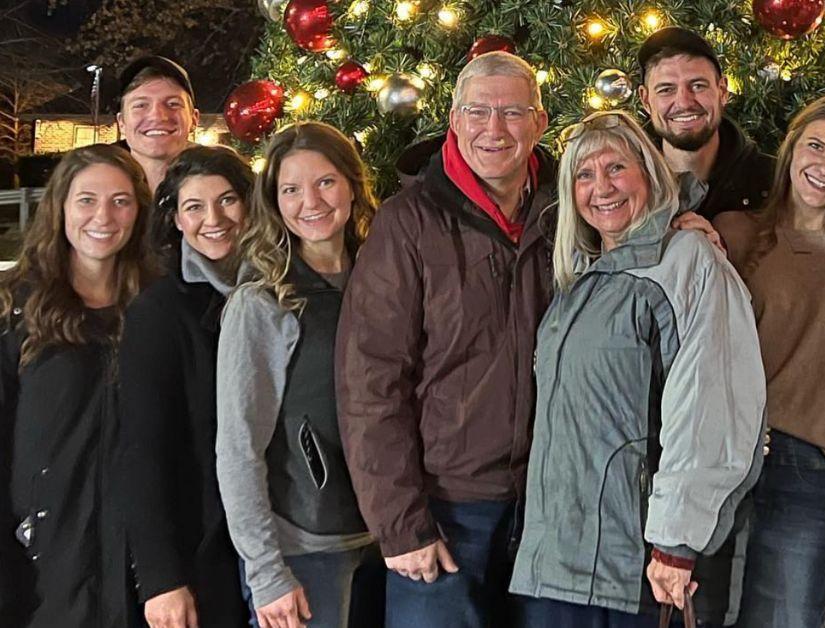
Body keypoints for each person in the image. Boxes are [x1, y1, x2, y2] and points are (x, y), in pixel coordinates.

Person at [509, 110, 767, 628]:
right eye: (584, 175)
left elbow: (709, 405)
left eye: (615, 169)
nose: (600, 188)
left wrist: (676, 541)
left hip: (635, 567)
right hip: (557, 560)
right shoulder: (582, 278)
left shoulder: (686, 260)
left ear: (648, 174)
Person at [335, 51, 555, 628]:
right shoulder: (409, 223)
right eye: (478, 111)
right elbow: (370, 382)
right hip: (444, 511)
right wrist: (400, 523)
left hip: (551, 505)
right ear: (454, 121)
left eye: (512, 112)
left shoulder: (571, 214)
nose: (495, 129)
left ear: (541, 122)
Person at [713, 97, 825, 628]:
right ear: (791, 149)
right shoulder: (733, 231)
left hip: (813, 461)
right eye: (816, 146)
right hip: (726, 455)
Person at [216, 122, 379, 628]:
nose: (310, 201)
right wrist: (266, 571)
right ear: (275, 201)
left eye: (325, 182)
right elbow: (238, 447)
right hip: (303, 550)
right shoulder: (264, 302)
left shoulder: (383, 278)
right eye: (291, 189)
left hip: (386, 541)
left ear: (352, 185)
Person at [0, 144, 158, 626]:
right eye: (87, 199)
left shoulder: (159, 307)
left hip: (136, 561)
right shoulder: (15, 308)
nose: (103, 216)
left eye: (120, 201)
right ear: (60, 206)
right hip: (38, 559)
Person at [114, 146, 253, 628]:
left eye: (228, 200)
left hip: (279, 542)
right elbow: (142, 450)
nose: (213, 219)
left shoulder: (279, 293)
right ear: (174, 218)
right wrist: (160, 578)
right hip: (201, 550)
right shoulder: (159, 312)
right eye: (194, 206)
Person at [637, 27, 773, 219]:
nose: (684, 102)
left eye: (698, 86)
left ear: (723, 91)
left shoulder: (775, 182)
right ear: (645, 100)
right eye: (666, 89)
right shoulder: (623, 189)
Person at [115, 56, 199, 194]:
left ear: (194, 119)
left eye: (173, 104)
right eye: (141, 105)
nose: (157, 116)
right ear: (121, 123)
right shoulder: (93, 190)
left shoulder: (222, 189)